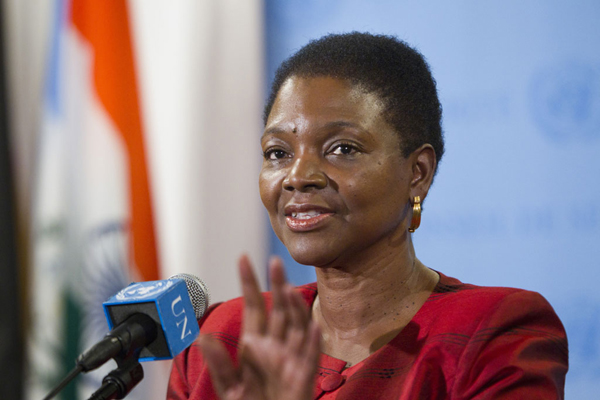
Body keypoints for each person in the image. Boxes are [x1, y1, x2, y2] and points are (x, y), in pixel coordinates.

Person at [167, 32, 568, 399]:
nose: (298, 176)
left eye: (343, 149)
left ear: (417, 173)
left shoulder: (494, 333)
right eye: (278, 153)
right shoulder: (223, 338)